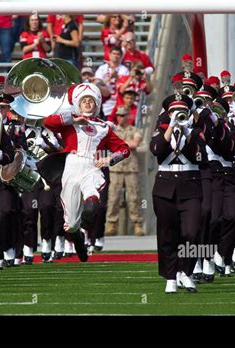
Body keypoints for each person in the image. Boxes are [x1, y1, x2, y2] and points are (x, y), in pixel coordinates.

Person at [43, 83, 130, 262]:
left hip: (92, 166)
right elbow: (48, 122)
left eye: (91, 100)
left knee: (92, 197)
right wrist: (73, 120)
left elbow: (124, 149)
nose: (88, 103)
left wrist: (109, 159)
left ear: (97, 103)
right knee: (71, 224)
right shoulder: (70, 121)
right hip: (71, 166)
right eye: (84, 100)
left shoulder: (104, 127)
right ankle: (78, 239)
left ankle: (89, 214)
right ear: (78, 103)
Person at [150, 94, 207, 293]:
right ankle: (170, 276)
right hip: (165, 187)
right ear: (168, 113)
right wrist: (171, 128)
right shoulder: (161, 130)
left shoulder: (197, 132)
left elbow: (200, 156)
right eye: (174, 111)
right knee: (167, 234)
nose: (178, 114)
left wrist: (187, 132)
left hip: (190, 186)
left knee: (191, 232)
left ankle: (187, 272)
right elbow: (157, 151)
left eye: (181, 111)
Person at [105, 108, 144, 236]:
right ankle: (111, 224)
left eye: (122, 115)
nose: (120, 118)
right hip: (116, 168)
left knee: (134, 197)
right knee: (113, 198)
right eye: (118, 116)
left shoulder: (135, 130)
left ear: (128, 116)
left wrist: (119, 143)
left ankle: (137, 224)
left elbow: (135, 144)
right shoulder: (113, 131)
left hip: (131, 168)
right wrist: (124, 143)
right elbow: (110, 145)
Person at [95, 46, 129, 118]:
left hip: (119, 104)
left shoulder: (124, 70)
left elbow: (125, 87)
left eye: (118, 54)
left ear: (121, 56)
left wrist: (117, 77)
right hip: (105, 105)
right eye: (114, 53)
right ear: (109, 55)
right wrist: (109, 77)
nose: (116, 56)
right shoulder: (102, 68)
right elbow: (97, 84)